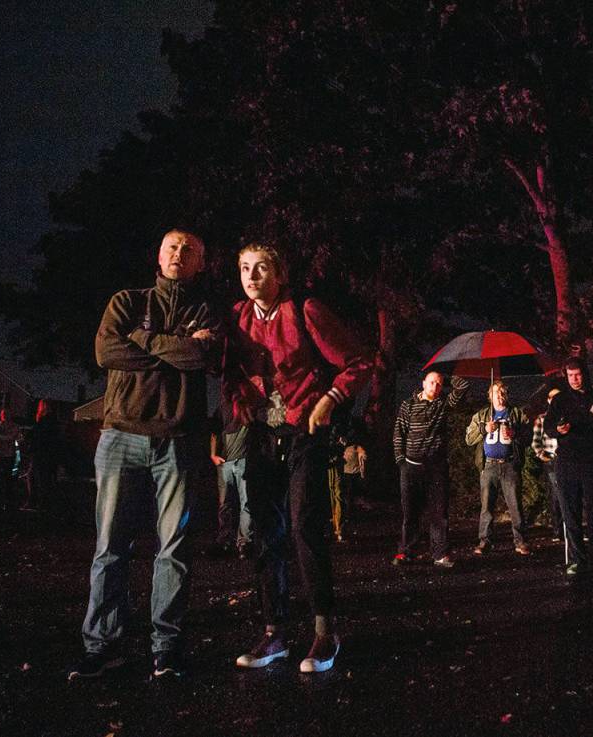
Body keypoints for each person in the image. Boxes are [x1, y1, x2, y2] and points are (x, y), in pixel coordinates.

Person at [68, 229, 223, 681]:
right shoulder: (127, 301)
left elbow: (202, 358)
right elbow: (105, 351)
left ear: (201, 263)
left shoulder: (206, 310)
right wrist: (175, 347)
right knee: (110, 547)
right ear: (158, 255)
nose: (180, 253)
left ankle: (167, 647)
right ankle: (102, 646)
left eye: (190, 250)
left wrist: (143, 340)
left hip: (177, 439)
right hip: (120, 436)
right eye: (173, 247)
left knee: (173, 548)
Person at [225, 242, 372, 674]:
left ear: (279, 274)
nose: (252, 276)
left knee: (305, 526)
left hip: (304, 431)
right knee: (265, 531)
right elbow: (230, 373)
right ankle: (274, 632)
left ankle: (325, 632)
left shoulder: (304, 310)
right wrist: (241, 404)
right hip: (261, 437)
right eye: (245, 268)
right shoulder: (238, 317)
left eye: (262, 268)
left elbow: (359, 362)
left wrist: (328, 400)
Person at [544, 358, 593, 579]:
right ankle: (576, 560)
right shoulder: (560, 400)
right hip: (567, 462)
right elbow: (548, 426)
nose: (575, 380)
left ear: (585, 373)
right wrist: (558, 430)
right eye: (570, 376)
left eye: (578, 375)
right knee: (570, 513)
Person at [392, 371, 470, 568]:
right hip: (411, 466)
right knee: (410, 512)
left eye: (439, 383)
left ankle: (440, 553)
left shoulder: (442, 404)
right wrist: (401, 460)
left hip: (435, 467)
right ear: (423, 383)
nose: (435, 386)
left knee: (438, 513)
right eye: (432, 382)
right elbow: (399, 433)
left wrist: (449, 377)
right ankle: (406, 551)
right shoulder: (408, 405)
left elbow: (462, 387)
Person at [465, 380, 531, 556]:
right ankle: (485, 540)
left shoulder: (517, 414)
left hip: (510, 464)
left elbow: (529, 438)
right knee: (487, 506)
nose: (500, 396)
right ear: (490, 396)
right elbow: (469, 439)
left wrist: (515, 433)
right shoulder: (482, 415)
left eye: (503, 393)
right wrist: (484, 429)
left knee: (515, 505)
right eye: (496, 393)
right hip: (489, 466)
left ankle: (520, 540)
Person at [209, 401, 252, 558]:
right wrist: (213, 454)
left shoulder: (248, 403)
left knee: (244, 502)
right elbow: (214, 430)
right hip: (226, 461)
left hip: (242, 460)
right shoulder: (223, 407)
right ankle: (226, 541)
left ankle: (243, 543)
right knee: (226, 504)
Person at [531, 388, 563, 541]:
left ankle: (572, 529)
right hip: (551, 459)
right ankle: (558, 530)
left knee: (571, 493)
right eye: (553, 397)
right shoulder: (542, 418)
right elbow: (536, 441)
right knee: (556, 494)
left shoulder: (566, 416)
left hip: (567, 458)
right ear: (548, 400)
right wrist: (542, 455)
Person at [23, 399, 60, 512]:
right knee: (40, 478)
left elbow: (37, 437)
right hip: (47, 454)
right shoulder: (52, 421)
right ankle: (39, 502)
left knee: (36, 478)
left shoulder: (44, 421)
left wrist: (30, 445)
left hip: (40, 453)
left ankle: (37, 502)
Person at [0, 408, 21, 512]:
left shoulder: (14, 426)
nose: (5, 415)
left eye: (7, 413)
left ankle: (7, 503)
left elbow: (17, 438)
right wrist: (7, 438)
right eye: (3, 413)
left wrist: (1, 438)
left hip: (8, 455)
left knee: (7, 480)